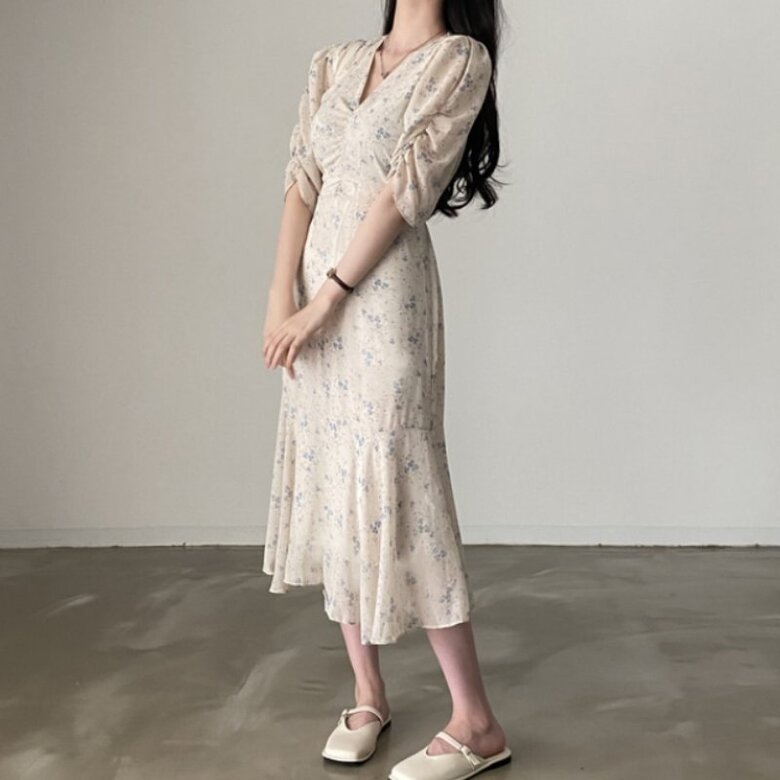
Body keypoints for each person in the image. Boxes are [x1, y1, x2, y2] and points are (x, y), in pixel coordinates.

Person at [262, 1, 510, 777]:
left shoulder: (458, 60)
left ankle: (477, 723)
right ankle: (368, 694)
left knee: (404, 480)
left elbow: (405, 191)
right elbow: (302, 180)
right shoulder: (336, 62)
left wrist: (327, 299)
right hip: (311, 304)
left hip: (379, 298)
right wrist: (281, 299)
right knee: (336, 477)